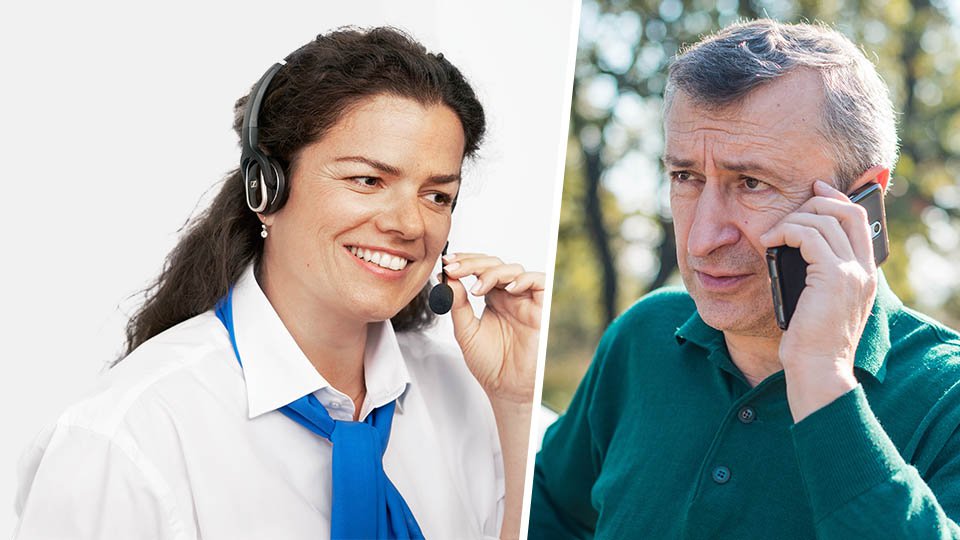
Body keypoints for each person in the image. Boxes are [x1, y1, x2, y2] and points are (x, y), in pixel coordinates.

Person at [14, 27, 543, 540]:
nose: (409, 225)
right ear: (266, 186)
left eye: (437, 196)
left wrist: (517, 401)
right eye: (368, 180)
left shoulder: (472, 398)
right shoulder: (126, 437)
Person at [530, 19, 960, 539]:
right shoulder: (642, 339)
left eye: (752, 183)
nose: (700, 239)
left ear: (861, 198)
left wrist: (823, 380)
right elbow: (549, 513)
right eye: (686, 177)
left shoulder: (947, 401)